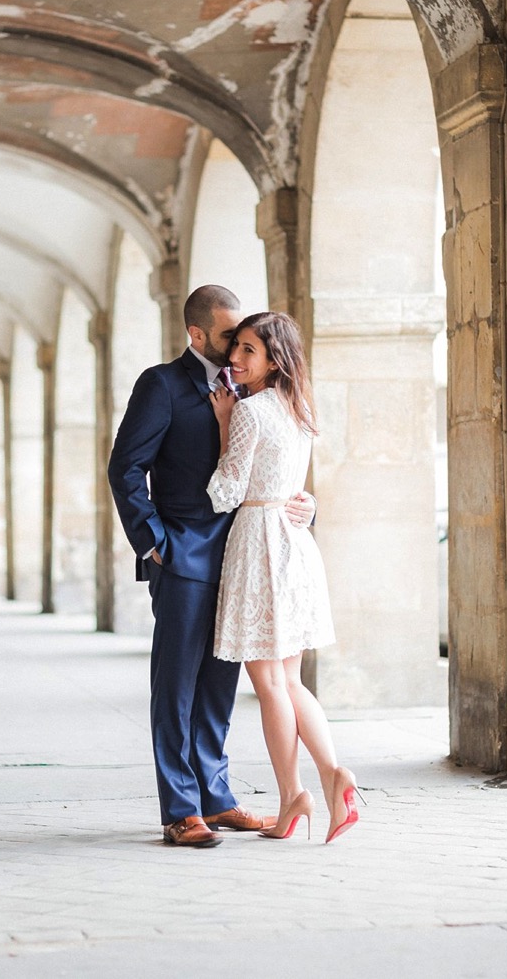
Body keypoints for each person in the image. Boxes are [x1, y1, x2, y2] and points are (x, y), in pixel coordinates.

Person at [107, 284, 314, 848]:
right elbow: (126, 468)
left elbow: (274, 462)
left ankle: (217, 798)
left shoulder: (253, 389)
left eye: (244, 340)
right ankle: (180, 810)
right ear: (196, 334)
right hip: (182, 556)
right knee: (176, 684)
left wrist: (303, 505)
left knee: (221, 684)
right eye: (227, 337)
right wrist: (153, 543)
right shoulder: (162, 384)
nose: (236, 349)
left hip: (246, 555)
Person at [206, 311, 359, 843]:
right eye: (236, 349)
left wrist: (225, 423)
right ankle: (331, 774)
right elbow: (292, 480)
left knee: (270, 683)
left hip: (259, 541)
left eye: (248, 350)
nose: (235, 360)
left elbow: (225, 493)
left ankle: (295, 791)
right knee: (289, 680)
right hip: (294, 542)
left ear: (274, 358)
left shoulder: (250, 412)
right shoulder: (300, 408)